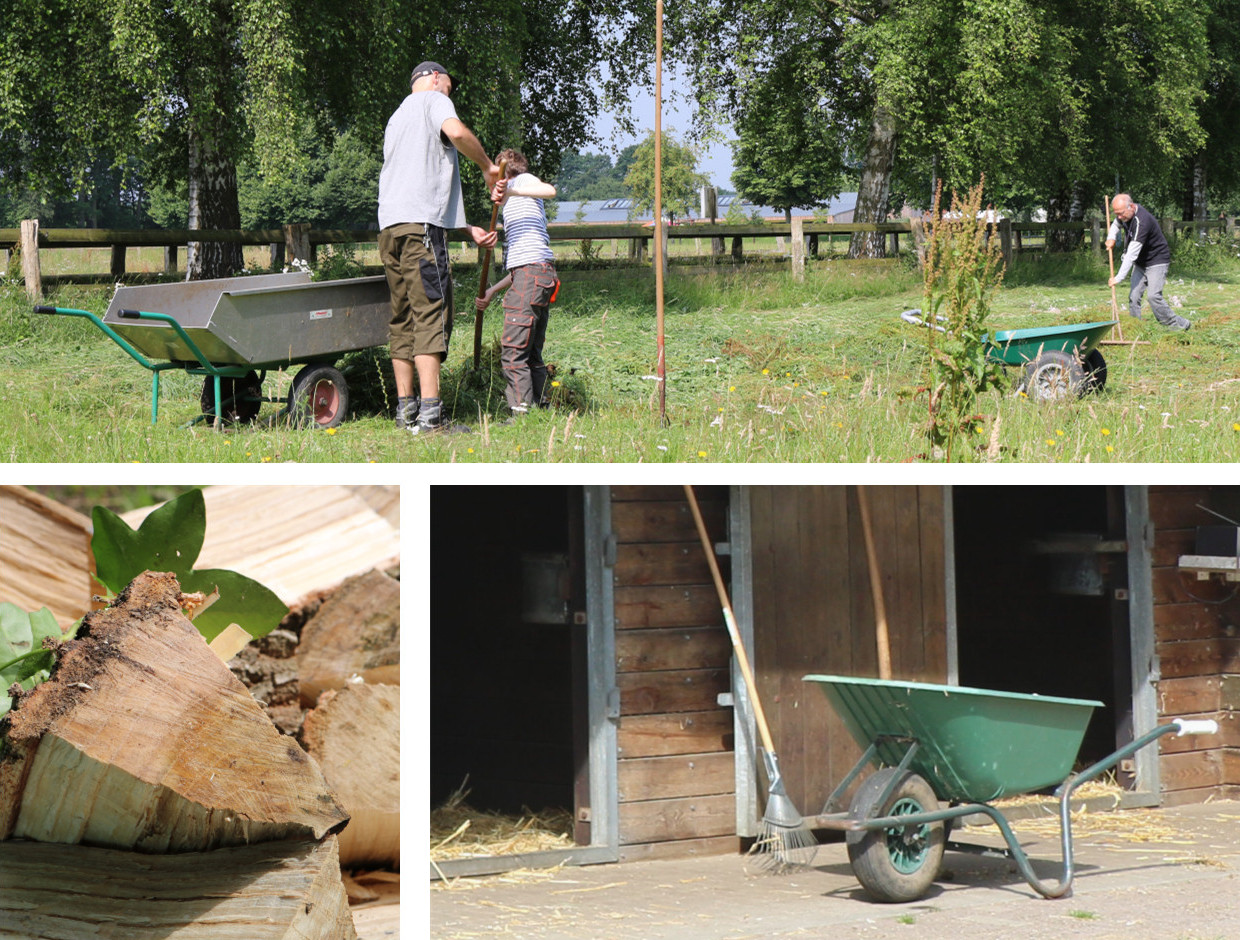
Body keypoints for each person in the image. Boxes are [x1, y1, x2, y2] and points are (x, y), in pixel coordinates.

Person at [377, 61, 505, 434]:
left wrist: (466, 229)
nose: (450, 93)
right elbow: (457, 132)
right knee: (430, 313)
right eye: (449, 85)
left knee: (401, 320)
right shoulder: (433, 101)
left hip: (390, 229)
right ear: (434, 78)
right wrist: (486, 167)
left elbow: (414, 185)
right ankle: (432, 418)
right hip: (421, 232)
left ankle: (406, 413)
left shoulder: (396, 118)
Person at [475, 150, 560, 416]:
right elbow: (521, 267)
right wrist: (491, 290)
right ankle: (541, 409)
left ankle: (521, 415)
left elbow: (549, 190)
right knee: (530, 353)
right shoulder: (513, 200)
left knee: (512, 352)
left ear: (504, 172)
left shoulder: (522, 181)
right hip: (537, 273)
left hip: (532, 274)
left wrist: (510, 189)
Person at [1106, 193, 1190, 332]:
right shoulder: (1126, 215)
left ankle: (1177, 325)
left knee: (1153, 296)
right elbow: (1116, 223)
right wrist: (1111, 237)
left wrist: (1118, 278)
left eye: (1121, 213)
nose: (1119, 217)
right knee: (1134, 297)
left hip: (1157, 260)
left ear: (1131, 207)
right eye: (1117, 213)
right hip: (1141, 263)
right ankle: (1135, 327)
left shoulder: (1142, 221)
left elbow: (1131, 255)